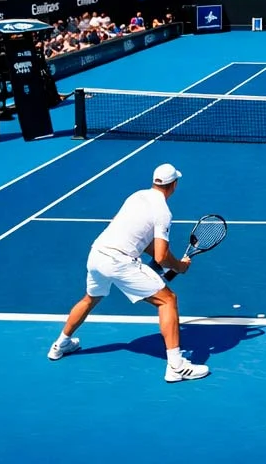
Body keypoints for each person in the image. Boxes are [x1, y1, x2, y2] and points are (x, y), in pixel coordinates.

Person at [48, 163, 209, 382]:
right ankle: (176, 367)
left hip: (97, 254)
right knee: (168, 300)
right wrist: (179, 266)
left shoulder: (136, 196)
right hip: (119, 261)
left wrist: (168, 265)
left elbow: (141, 241)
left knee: (90, 298)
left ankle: (61, 344)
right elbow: (161, 256)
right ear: (174, 185)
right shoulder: (163, 212)